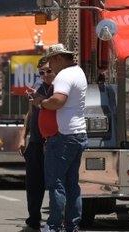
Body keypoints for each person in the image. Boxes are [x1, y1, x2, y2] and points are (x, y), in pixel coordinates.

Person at [33, 44, 88, 232]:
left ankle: (54, 225)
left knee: (56, 183)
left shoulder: (64, 75)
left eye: (51, 62)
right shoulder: (78, 72)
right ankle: (72, 225)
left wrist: (41, 103)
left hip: (63, 136)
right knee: (72, 184)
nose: (50, 67)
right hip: (77, 133)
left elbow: (58, 101)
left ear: (57, 58)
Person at [19, 57, 55, 231]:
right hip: (35, 142)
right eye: (42, 72)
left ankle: (57, 219)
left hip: (53, 141)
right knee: (33, 183)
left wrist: (41, 100)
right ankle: (33, 218)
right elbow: (30, 114)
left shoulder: (59, 88)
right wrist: (22, 137)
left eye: (49, 71)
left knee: (56, 183)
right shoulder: (37, 87)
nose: (45, 75)